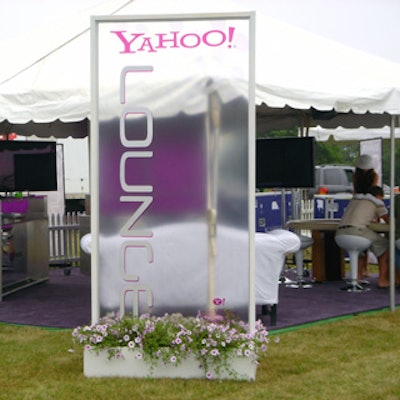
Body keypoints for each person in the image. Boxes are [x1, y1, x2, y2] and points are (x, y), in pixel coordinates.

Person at [336, 185, 390, 289]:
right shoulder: (377, 203)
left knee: (360, 250)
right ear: (379, 196)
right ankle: (383, 280)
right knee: (385, 247)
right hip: (356, 232)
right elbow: (388, 220)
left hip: (340, 235)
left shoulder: (354, 200)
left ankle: (357, 278)